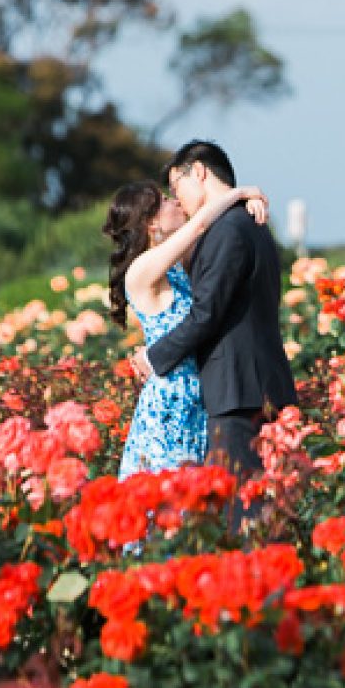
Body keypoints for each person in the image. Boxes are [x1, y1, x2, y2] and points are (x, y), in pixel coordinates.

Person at [133, 140, 297, 531]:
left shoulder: (229, 230)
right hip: (257, 384)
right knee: (264, 507)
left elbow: (206, 313)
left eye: (178, 189)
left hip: (239, 391)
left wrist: (155, 357)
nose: (178, 200)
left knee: (246, 513)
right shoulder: (249, 223)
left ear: (200, 173)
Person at [102, 178, 268, 478]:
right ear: (151, 223)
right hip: (169, 401)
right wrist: (241, 192)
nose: (176, 202)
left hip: (195, 395)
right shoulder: (141, 269)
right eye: (165, 201)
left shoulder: (175, 266)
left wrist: (245, 208)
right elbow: (200, 225)